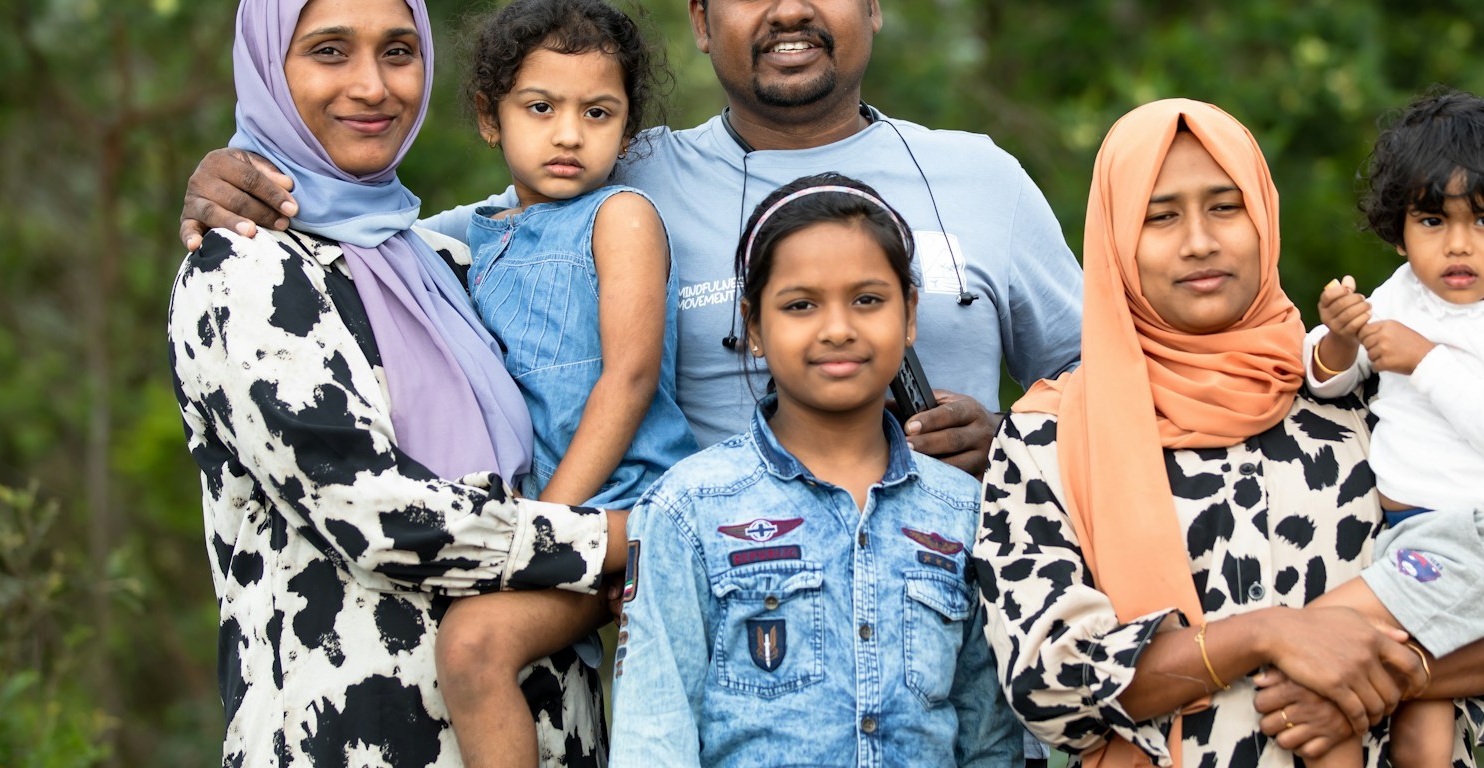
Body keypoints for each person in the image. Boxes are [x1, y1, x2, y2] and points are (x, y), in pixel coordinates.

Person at [176, 0, 1085, 482]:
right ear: (700, 20)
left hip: (953, 635)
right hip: (722, 662)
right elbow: (395, 248)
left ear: (875, 6)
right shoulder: (619, 183)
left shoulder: (981, 175)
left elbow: (1112, 383)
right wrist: (252, 182)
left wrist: (1013, 440)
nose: (788, 10)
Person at [973, 99, 1484, 767]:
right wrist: (1267, 636)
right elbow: (1050, 682)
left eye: (1225, 207)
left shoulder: (1367, 387)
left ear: (1264, 216)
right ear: (1116, 237)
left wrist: (1377, 681)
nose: (1199, 241)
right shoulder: (1050, 439)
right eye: (1161, 215)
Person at [167, 1, 626, 765]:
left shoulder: (444, 263)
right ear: (268, 66)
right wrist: (620, 540)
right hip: (358, 735)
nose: (372, 86)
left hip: (551, 729)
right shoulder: (243, 270)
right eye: (329, 51)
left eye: (398, 51)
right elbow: (373, 513)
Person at [608, 173, 1019, 766]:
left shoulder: (967, 512)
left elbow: (989, 740)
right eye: (800, 305)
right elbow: (653, 737)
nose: (837, 329)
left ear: (909, 315)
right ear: (753, 327)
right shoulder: (686, 509)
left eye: (867, 300)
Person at [422, 3, 697, 766]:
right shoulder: (476, 235)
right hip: (557, 522)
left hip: (625, 506)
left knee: (473, 644)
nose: (569, 134)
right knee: (468, 646)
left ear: (628, 130)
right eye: (540, 108)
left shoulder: (621, 216)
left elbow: (630, 377)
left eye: (597, 112)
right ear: (491, 117)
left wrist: (543, 527)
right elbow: (368, 238)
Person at [1301, 88, 1484, 768]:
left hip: (1473, 543)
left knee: (1317, 642)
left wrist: (1426, 361)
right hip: (1406, 540)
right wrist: (1339, 339)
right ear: (1400, 231)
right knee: (1420, 732)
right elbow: (1329, 381)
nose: (1458, 244)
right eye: (1432, 220)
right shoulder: (1403, 293)